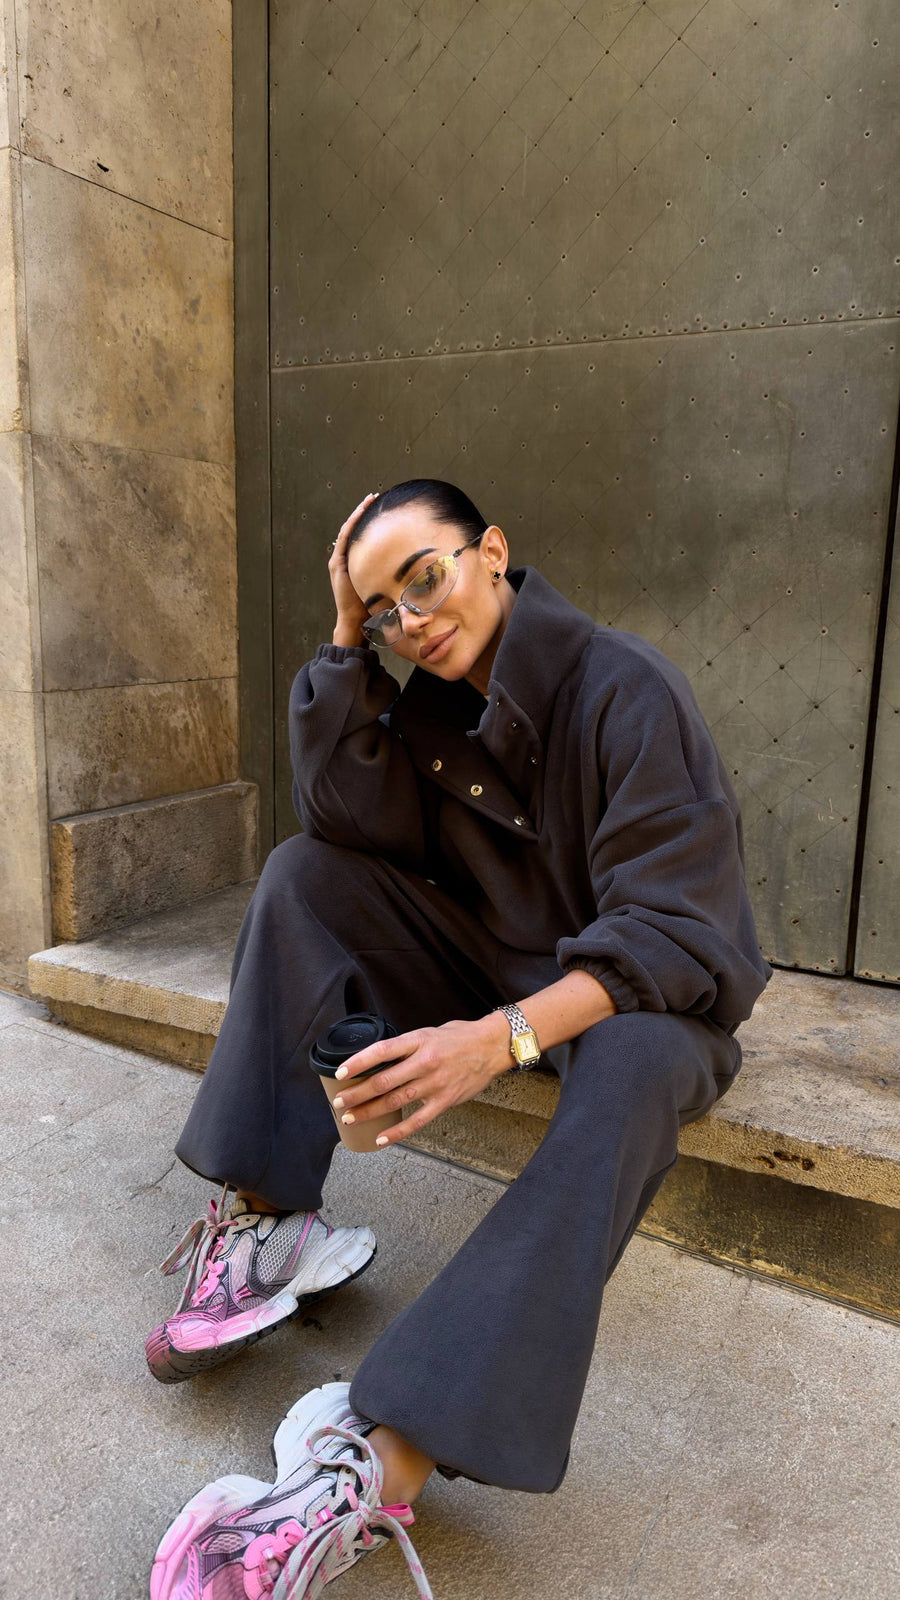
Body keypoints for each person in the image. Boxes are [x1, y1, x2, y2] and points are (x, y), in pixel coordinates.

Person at [148, 479, 773, 1600]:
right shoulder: (434, 717)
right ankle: (268, 1220)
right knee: (302, 875)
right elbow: (344, 820)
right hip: (499, 960)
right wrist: (345, 642)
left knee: (630, 1066)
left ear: (492, 552)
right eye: (384, 607)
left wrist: (500, 1039)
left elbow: (683, 934)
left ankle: (381, 1467)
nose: (409, 618)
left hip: (646, 1005)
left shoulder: (623, 686)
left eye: (422, 578)